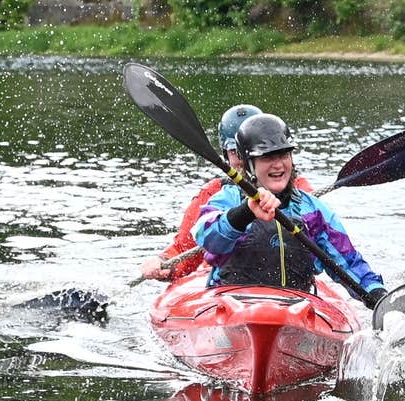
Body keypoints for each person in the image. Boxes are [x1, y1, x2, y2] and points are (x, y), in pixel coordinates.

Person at [193, 113, 387, 306]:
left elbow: (348, 261)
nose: (278, 164)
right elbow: (205, 236)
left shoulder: (312, 210)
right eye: (267, 156)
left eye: (284, 154)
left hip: (295, 307)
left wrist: (376, 294)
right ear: (248, 164)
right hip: (232, 303)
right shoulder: (227, 199)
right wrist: (246, 212)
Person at [137, 104, 312, 282]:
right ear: (225, 155)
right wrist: (165, 263)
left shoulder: (299, 191)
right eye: (235, 152)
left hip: (290, 281)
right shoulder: (213, 193)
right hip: (230, 282)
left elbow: (324, 238)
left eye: (262, 153)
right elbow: (186, 248)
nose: (243, 160)